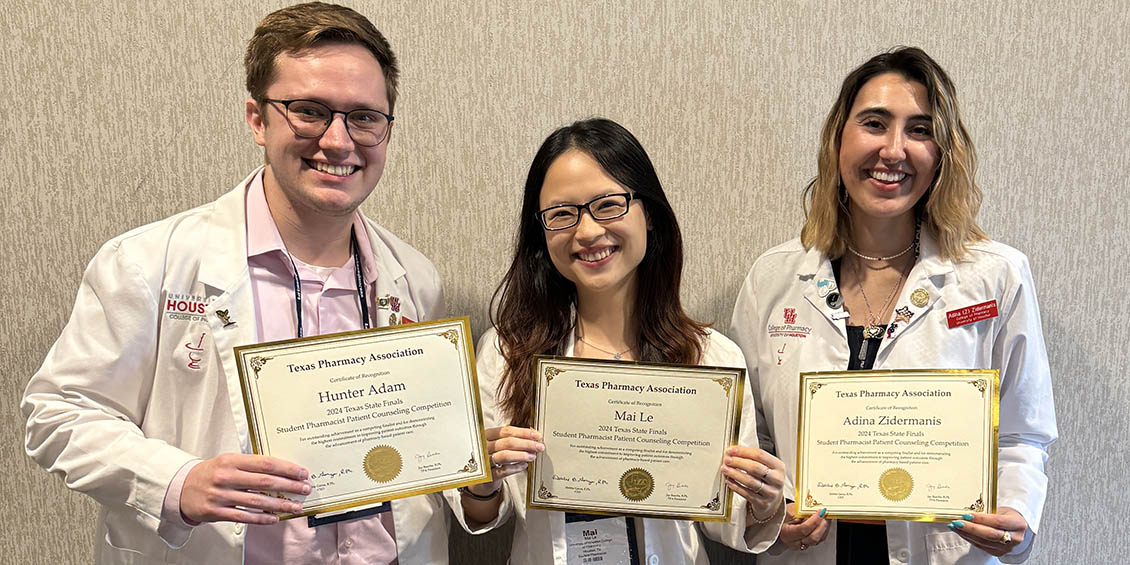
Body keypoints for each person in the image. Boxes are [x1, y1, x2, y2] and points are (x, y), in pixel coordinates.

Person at [21, 3, 487, 563]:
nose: (339, 142)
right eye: (309, 111)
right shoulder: (148, 263)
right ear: (257, 119)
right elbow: (57, 411)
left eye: (365, 117)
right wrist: (177, 481)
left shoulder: (414, 277)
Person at [728, 47, 1057, 564]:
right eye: (875, 123)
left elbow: (1020, 432)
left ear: (943, 152)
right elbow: (752, 436)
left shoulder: (995, 276)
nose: (894, 150)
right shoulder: (773, 278)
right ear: (839, 139)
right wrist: (771, 516)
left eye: (920, 130)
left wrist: (1016, 515)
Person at [458, 117, 787, 564]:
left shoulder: (711, 359)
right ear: (541, 232)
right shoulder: (505, 353)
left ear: (648, 213)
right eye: (562, 214)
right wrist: (482, 481)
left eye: (608, 205)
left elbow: (723, 521)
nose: (588, 231)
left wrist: (764, 503)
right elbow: (485, 517)